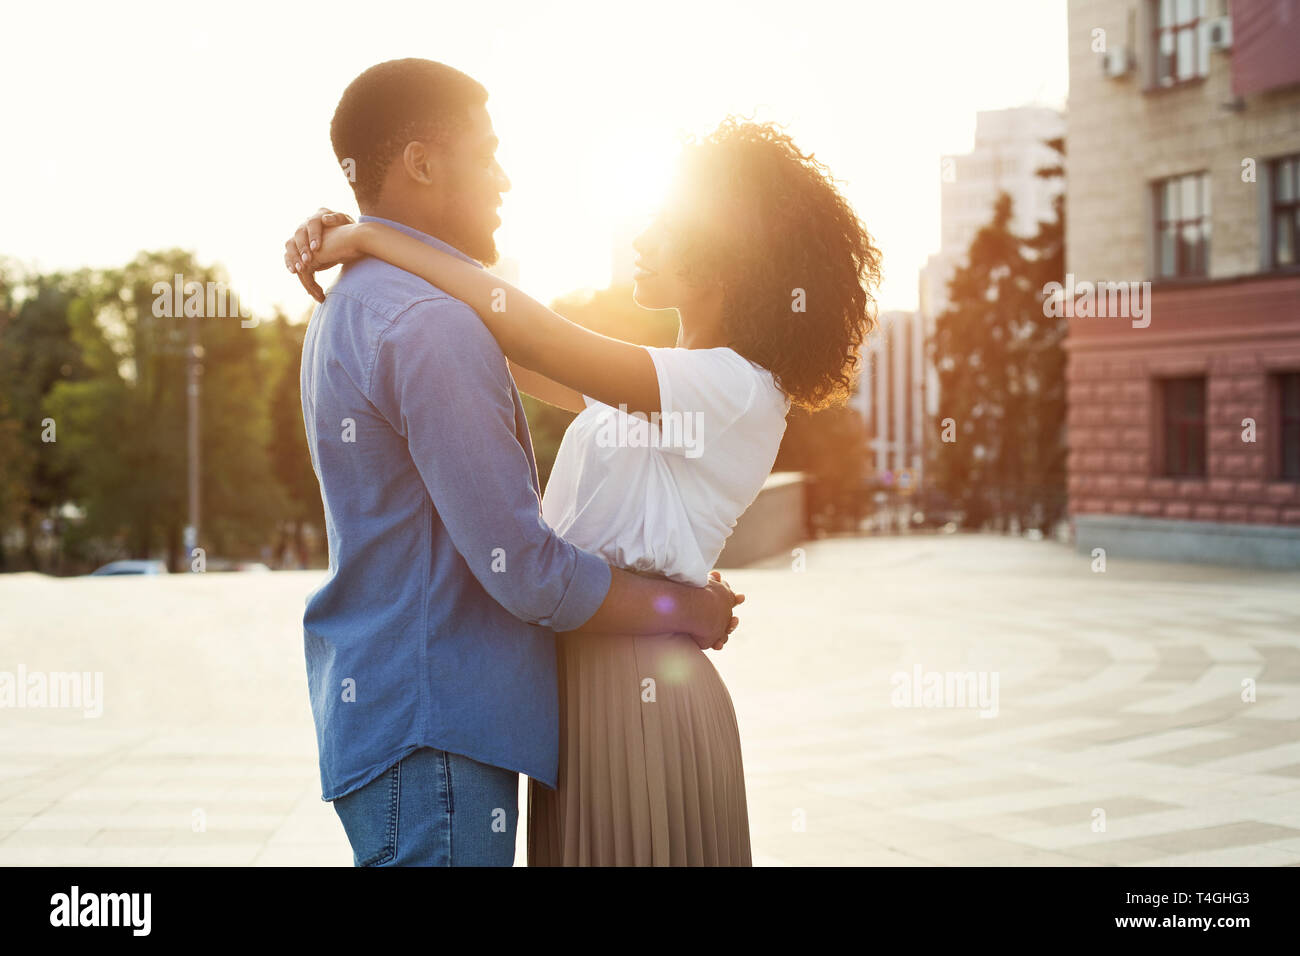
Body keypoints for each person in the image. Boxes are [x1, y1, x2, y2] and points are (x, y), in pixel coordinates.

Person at [292, 58, 743, 867]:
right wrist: (689, 610)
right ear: (424, 164)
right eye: (488, 152)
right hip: (440, 737)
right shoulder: (432, 324)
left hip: (397, 723)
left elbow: (564, 368)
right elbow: (529, 571)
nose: (505, 178)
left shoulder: (354, 305)